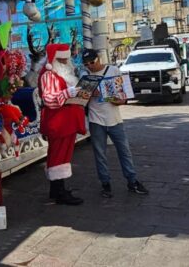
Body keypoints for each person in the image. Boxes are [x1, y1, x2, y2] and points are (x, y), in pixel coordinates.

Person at [81, 49, 148, 198]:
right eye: (86, 64)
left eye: (92, 62)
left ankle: (132, 181)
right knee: (100, 154)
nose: (90, 66)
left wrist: (112, 98)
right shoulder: (85, 76)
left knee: (124, 151)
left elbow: (123, 97)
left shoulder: (113, 70)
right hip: (95, 119)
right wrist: (89, 93)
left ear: (98, 59)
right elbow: (81, 100)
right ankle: (105, 184)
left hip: (114, 119)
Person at [39, 43, 88, 205]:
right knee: (58, 155)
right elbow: (49, 99)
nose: (67, 61)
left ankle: (57, 189)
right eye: (63, 59)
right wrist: (69, 92)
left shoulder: (60, 73)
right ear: (55, 59)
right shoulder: (49, 74)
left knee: (63, 154)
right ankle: (59, 192)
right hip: (58, 121)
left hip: (66, 121)